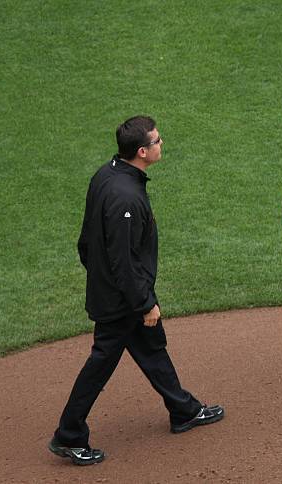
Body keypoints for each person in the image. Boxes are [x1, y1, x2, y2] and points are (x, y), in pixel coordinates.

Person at [48, 116, 224, 466]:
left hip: (114, 292)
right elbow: (124, 261)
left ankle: (183, 410)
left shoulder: (106, 175)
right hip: (123, 301)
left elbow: (86, 242)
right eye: (157, 141)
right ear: (142, 151)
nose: (162, 145)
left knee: (152, 349)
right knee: (101, 363)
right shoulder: (126, 196)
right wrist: (144, 303)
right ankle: (68, 434)